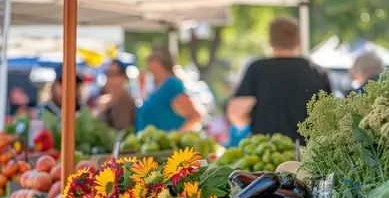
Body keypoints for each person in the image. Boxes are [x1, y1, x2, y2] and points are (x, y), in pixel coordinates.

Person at [227, 16, 332, 144]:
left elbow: (235, 113)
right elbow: (329, 119)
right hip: (309, 154)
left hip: (266, 153)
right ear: (299, 40)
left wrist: (250, 120)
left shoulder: (258, 69)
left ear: (270, 41)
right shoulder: (318, 72)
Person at [135, 47, 202, 132]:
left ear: (158, 63)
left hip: (162, 143)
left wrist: (175, 137)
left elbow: (195, 116)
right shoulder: (156, 85)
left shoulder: (172, 84)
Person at [94, 60, 135, 131]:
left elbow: (123, 131)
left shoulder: (127, 102)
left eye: (113, 74)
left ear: (123, 77)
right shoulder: (103, 101)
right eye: (107, 74)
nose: (109, 79)